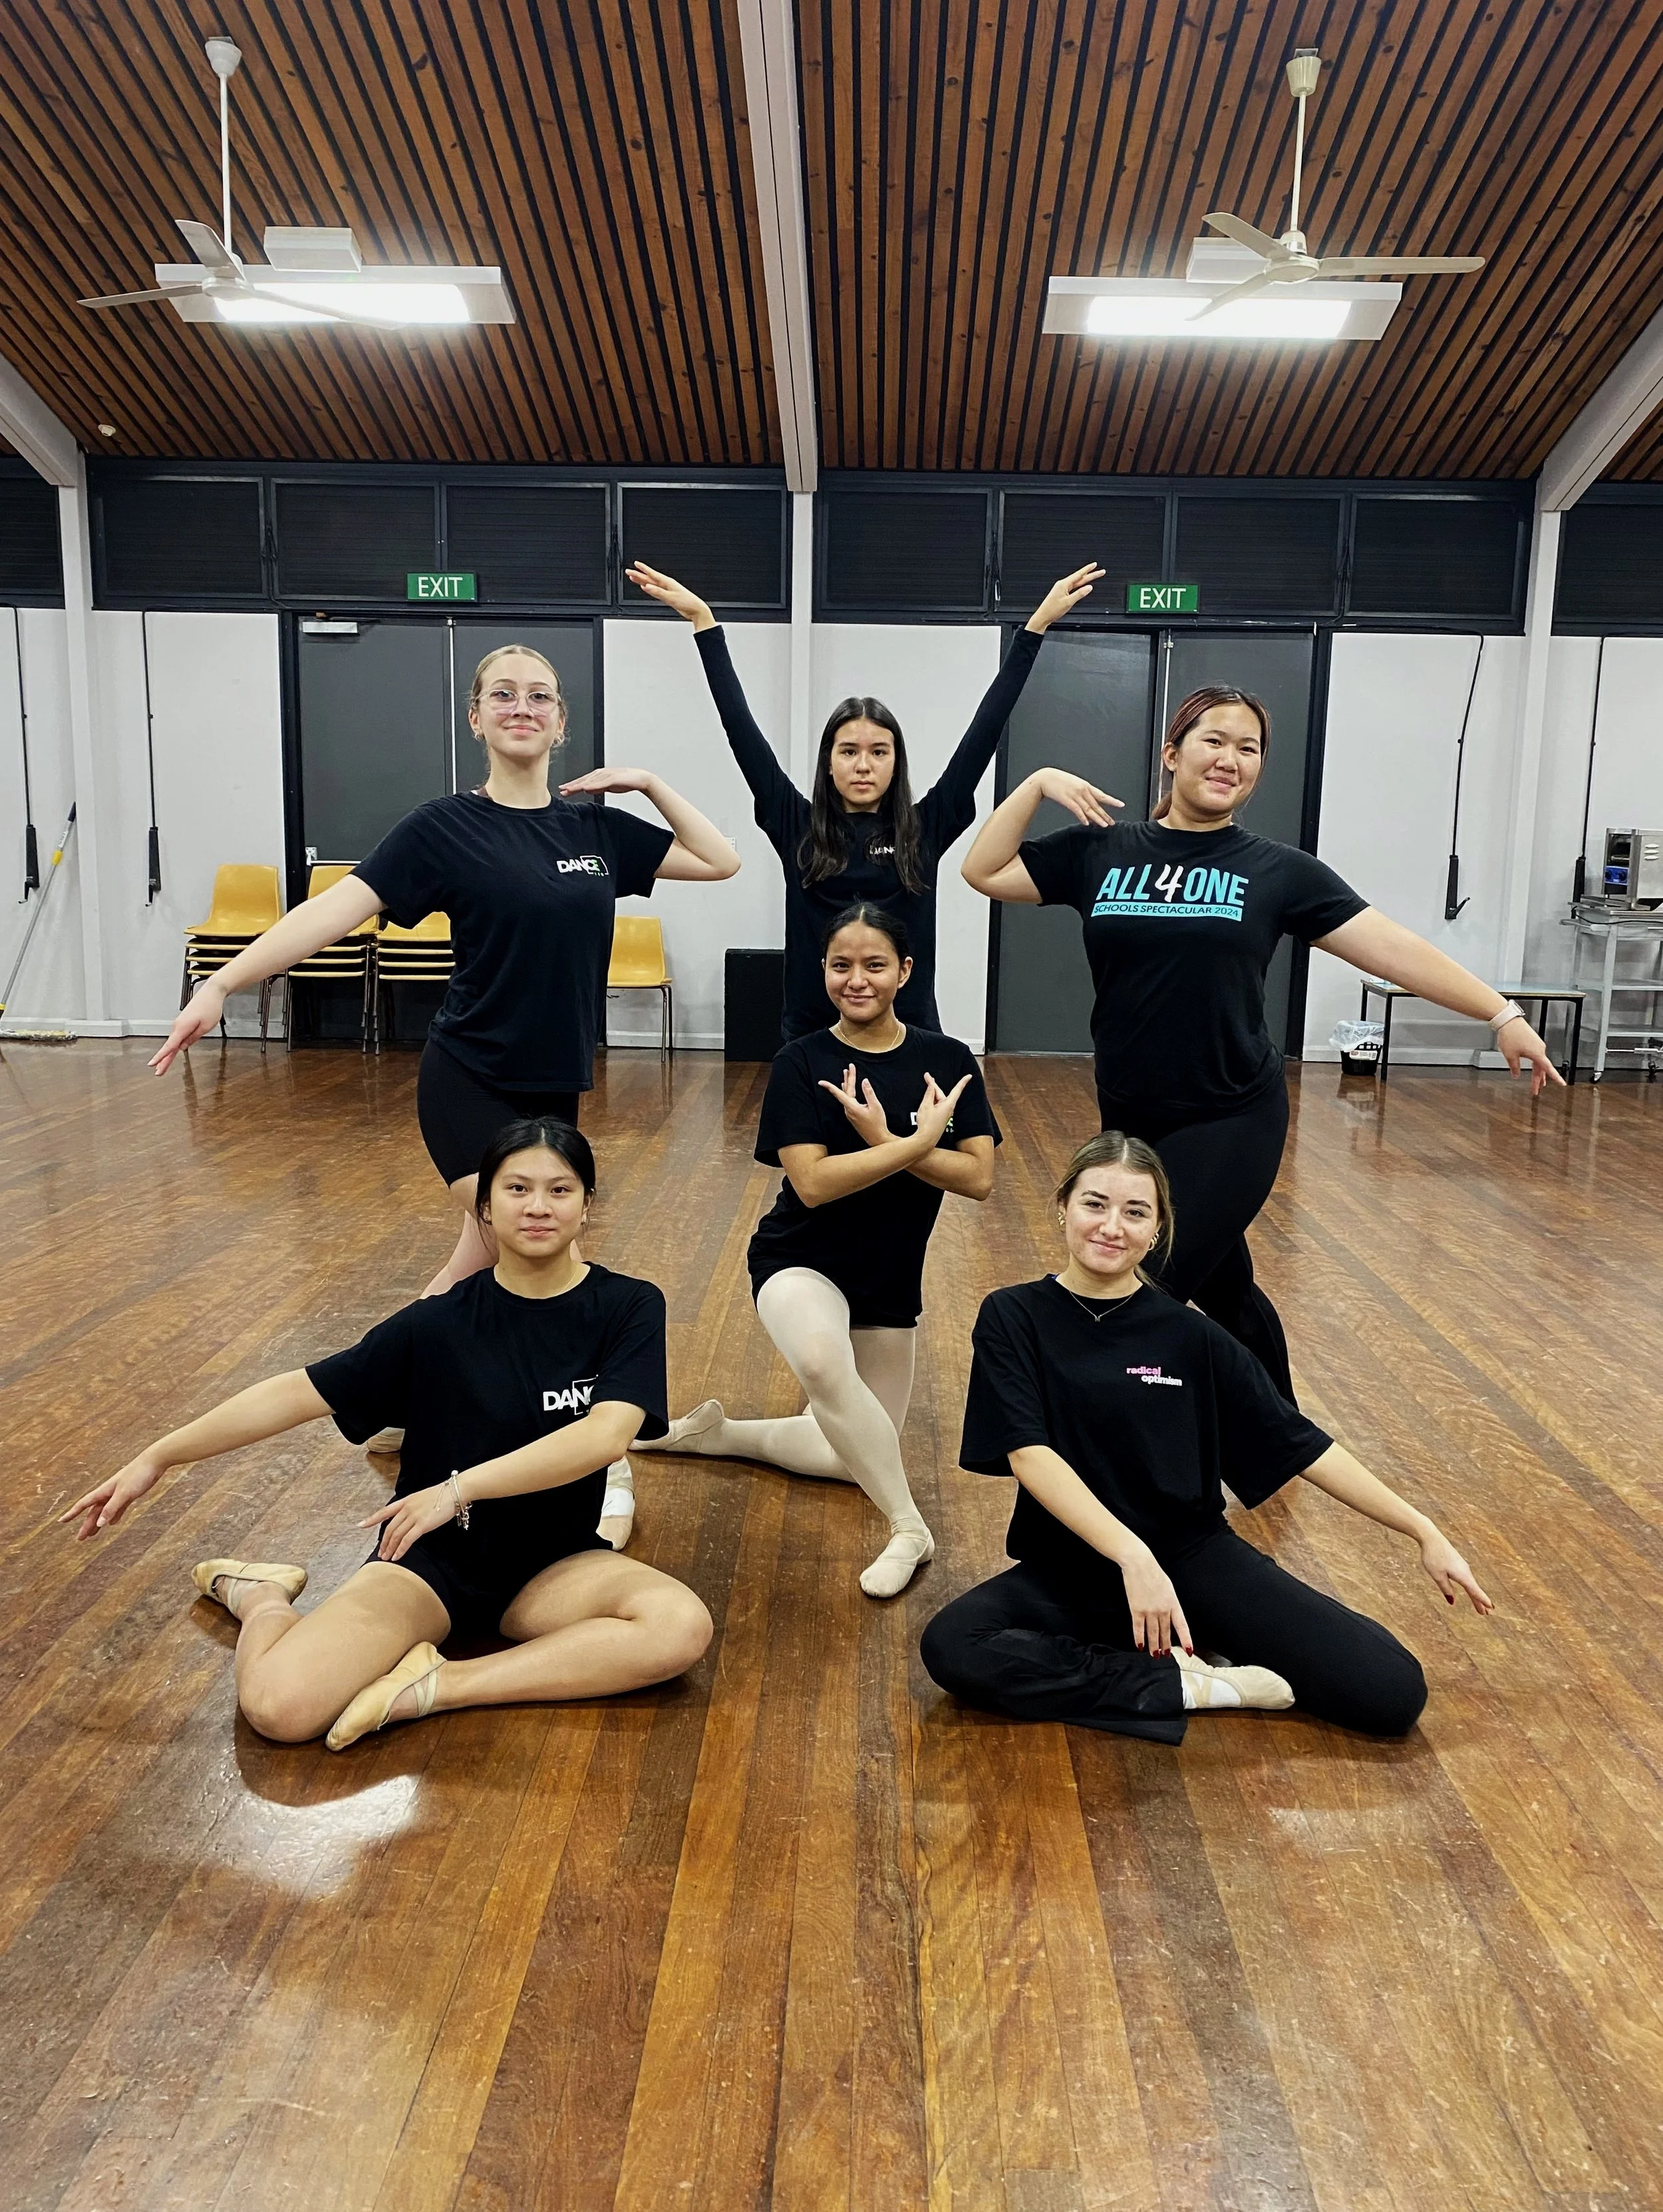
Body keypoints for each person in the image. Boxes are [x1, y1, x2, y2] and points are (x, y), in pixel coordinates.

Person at [149, 642, 741, 1545]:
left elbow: (720, 858)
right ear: (475, 717)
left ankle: (393, 1390)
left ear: (561, 720)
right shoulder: (441, 829)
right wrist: (224, 983)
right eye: (501, 694)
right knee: (537, 1247)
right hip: (468, 1076)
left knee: (471, 1263)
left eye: (540, 696)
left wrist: (649, 783)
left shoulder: (594, 829)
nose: (522, 707)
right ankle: (598, 1445)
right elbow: (332, 911)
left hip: (553, 1092)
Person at [961, 683, 1565, 1399]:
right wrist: (1034, 784)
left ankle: (1121, 1452)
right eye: (1213, 740)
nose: (1229, 759)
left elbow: (1390, 949)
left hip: (1231, 1115)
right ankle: (1278, 1434)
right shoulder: (1102, 852)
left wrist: (1501, 1014)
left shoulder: (1276, 871)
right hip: (1132, 1112)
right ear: (1171, 754)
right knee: (1229, 1291)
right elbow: (984, 870)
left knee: (1142, 1281)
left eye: (1248, 749)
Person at [60, 1119, 713, 1750]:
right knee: (279, 1709)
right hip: (431, 1563)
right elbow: (298, 1391)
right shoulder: (434, 1326)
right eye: (517, 1189)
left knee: (679, 1628)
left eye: (559, 1189)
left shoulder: (626, 1306)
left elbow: (605, 1437)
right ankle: (263, 1599)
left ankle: (440, 1686)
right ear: (483, 1207)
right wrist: (161, 1454)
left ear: (586, 1205)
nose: (538, 1207)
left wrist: (458, 1488)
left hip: (556, 1562)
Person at [919, 1132, 1492, 1742]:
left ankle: (1187, 1646)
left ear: (1158, 1229)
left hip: (1191, 1558)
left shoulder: (1190, 1335)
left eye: (1136, 1212)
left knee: (1392, 1691)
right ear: (1063, 1206)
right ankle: (1194, 1686)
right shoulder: (1013, 1315)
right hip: (1076, 1566)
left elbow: (1301, 1443)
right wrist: (1132, 1556)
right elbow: (1031, 1454)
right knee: (954, 1645)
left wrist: (1421, 1529)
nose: (1112, 1226)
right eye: (1095, 1203)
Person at [639, 904, 998, 1597]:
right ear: (822, 971)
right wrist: (916, 1144)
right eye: (840, 966)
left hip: (889, 1282)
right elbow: (812, 1183)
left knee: (855, 1452)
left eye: (873, 965)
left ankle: (718, 1435)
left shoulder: (945, 1061)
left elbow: (979, 1179)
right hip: (799, 1260)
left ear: (904, 972)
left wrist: (892, 1144)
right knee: (821, 1363)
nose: (855, 980)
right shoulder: (802, 1061)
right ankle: (908, 1528)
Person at [624, 555, 1106, 1040]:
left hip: (910, 1034)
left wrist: (1033, 630)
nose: (863, 764)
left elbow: (984, 732)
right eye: (849, 750)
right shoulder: (797, 824)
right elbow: (741, 731)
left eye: (879, 751)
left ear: (896, 761)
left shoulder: (924, 827)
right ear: (828, 761)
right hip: (813, 1036)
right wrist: (704, 623)